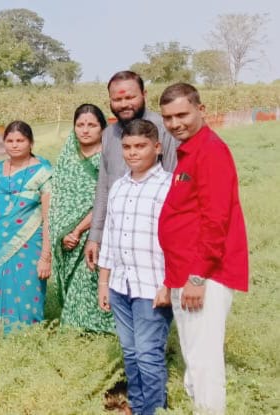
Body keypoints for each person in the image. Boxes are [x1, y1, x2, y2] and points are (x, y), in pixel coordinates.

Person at [157, 83, 248, 414]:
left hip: (205, 274)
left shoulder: (210, 151)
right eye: (168, 117)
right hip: (186, 273)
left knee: (205, 363)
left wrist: (197, 277)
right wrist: (173, 279)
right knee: (194, 359)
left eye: (182, 114)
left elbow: (215, 220)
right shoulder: (189, 151)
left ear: (201, 110)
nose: (175, 123)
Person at [96, 119, 173, 415]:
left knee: (148, 355)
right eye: (127, 147)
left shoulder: (168, 187)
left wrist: (169, 284)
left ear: (157, 147)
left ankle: (153, 410)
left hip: (152, 286)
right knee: (130, 353)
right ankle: (138, 406)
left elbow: (177, 243)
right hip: (120, 285)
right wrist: (104, 283)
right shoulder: (119, 186)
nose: (132, 153)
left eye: (140, 146)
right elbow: (111, 238)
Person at [85, 71, 179, 273]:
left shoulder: (163, 128)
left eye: (130, 97)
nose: (124, 104)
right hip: (117, 237)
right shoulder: (109, 133)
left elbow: (174, 184)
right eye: (117, 99)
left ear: (144, 94)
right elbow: (104, 187)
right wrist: (95, 235)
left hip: (153, 238)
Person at [49, 104, 116, 333]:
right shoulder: (68, 154)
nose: (85, 130)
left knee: (88, 279)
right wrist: (63, 232)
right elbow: (60, 194)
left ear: (102, 128)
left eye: (91, 125)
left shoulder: (110, 155)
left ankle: (96, 330)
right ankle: (79, 333)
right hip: (66, 234)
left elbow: (105, 196)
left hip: (97, 230)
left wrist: (78, 230)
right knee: (73, 283)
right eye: (80, 125)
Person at [0, 121, 52, 331]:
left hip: (29, 243)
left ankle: (27, 338)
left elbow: (49, 216)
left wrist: (46, 257)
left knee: (26, 292)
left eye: (20, 140)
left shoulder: (43, 172)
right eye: (10, 141)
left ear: (30, 142)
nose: (15, 145)